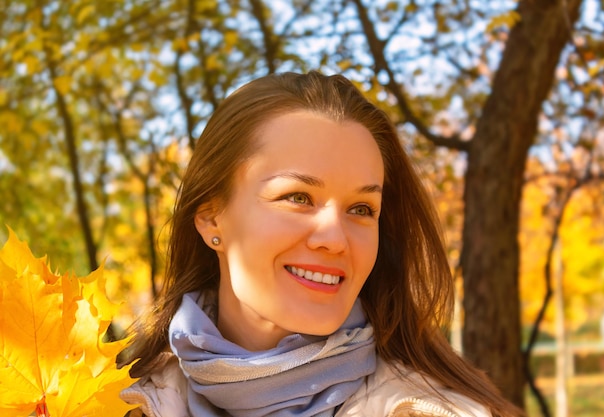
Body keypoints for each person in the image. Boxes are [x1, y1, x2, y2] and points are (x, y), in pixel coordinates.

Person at [119, 71, 522, 417]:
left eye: (362, 208)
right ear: (211, 217)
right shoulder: (97, 402)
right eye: (297, 197)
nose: (335, 238)